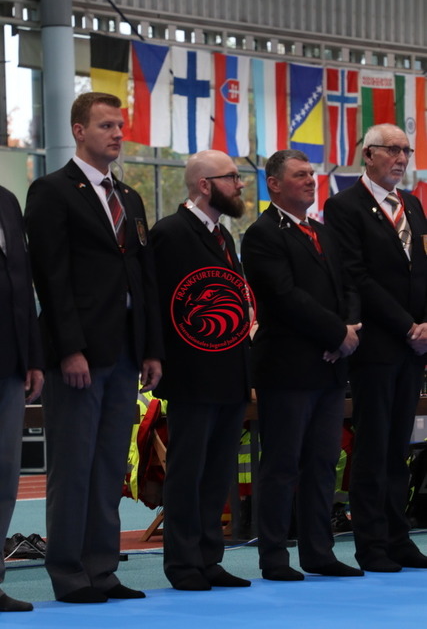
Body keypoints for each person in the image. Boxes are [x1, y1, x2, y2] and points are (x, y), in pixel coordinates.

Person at [24, 92, 164, 603]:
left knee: (108, 467)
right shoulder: (51, 191)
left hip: (125, 351)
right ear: (79, 131)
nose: (117, 134)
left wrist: (151, 348)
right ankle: (68, 573)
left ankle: (102, 570)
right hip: (79, 354)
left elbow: (143, 278)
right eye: (106, 125)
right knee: (73, 467)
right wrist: (69, 349)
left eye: (120, 126)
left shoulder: (129, 198)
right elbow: (51, 277)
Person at [241, 149, 363, 581]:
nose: (311, 180)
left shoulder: (323, 232)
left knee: (322, 462)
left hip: (330, 367)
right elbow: (283, 296)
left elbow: (349, 286)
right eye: (300, 175)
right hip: (288, 368)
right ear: (274, 184)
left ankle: (318, 552)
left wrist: (347, 331)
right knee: (282, 463)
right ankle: (274, 556)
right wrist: (336, 334)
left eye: (312, 174)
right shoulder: (261, 234)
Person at [324, 123, 427, 573]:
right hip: (377, 345)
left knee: (399, 446)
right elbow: (356, 277)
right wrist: (408, 326)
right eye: (392, 150)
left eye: (407, 150)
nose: (401, 158)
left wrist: (425, 326)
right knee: (373, 445)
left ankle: (398, 537)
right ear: (368, 155)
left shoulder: (413, 205)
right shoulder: (344, 206)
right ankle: (372, 543)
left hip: (414, 347)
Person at [150, 149, 252, 591]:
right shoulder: (170, 233)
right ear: (204, 185)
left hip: (229, 372)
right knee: (188, 472)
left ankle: (210, 558)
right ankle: (183, 563)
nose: (240, 184)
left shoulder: (222, 236)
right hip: (191, 375)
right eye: (232, 177)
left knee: (217, 473)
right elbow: (160, 306)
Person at [0, 185, 44, 612]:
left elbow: (22, 282)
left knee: (4, 477)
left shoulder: (7, 201)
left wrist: (33, 357)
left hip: (9, 362)